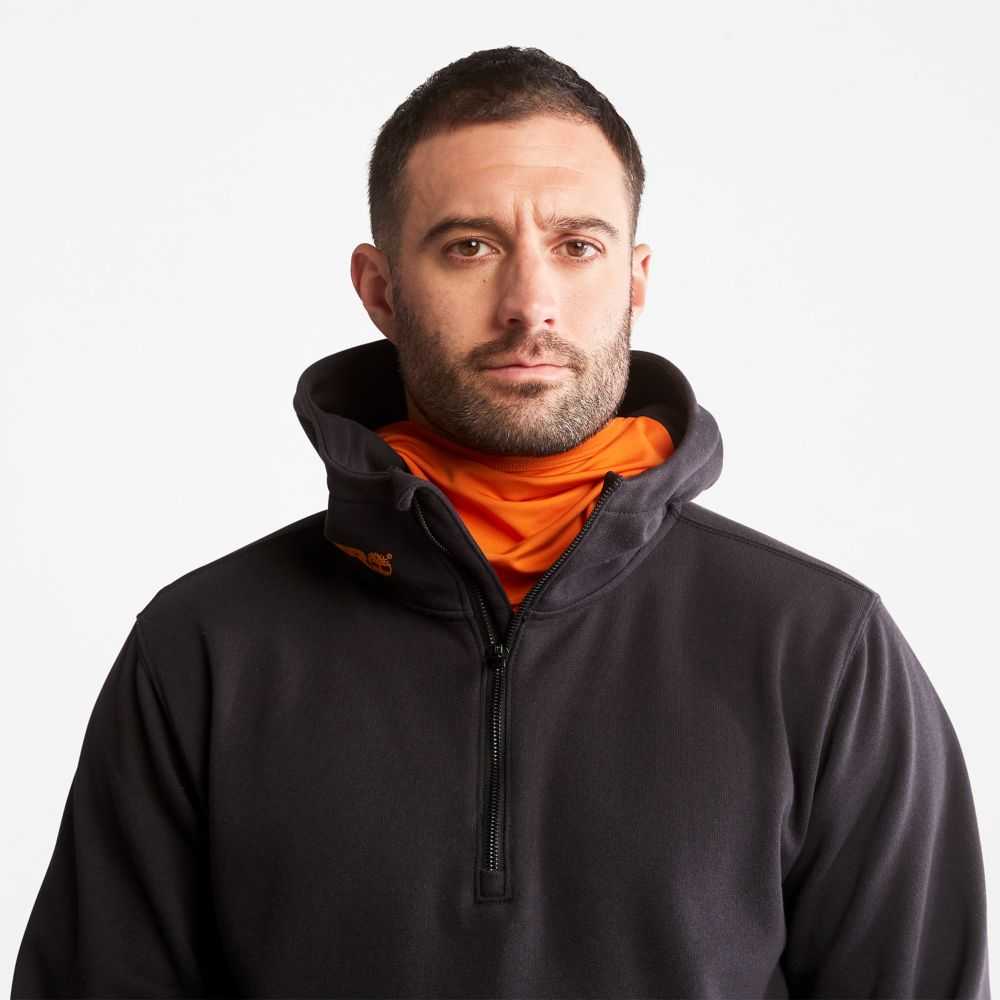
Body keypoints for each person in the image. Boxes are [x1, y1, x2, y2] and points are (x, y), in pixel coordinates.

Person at [11, 46, 990, 1000]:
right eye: (470, 246)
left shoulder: (820, 647)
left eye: (577, 246)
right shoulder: (203, 646)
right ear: (380, 290)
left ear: (636, 278)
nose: (531, 305)